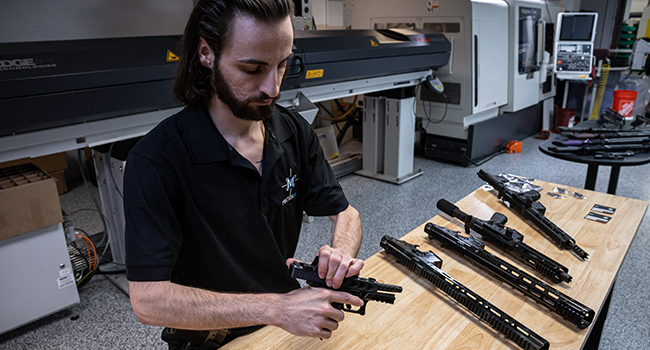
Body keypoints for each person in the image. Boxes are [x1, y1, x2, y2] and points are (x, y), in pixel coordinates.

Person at [122, 0, 364, 349]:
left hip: (288, 328)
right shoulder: (157, 161)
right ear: (207, 53)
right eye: (253, 69)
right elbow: (148, 300)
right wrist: (278, 307)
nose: (273, 88)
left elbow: (345, 213)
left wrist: (340, 254)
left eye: (282, 65)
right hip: (214, 340)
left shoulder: (293, 131)